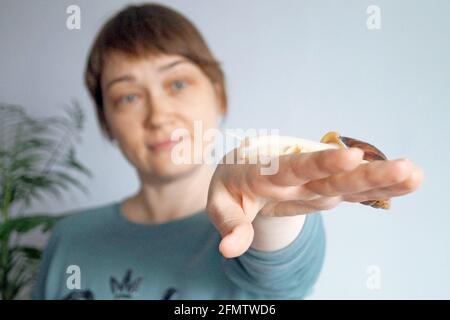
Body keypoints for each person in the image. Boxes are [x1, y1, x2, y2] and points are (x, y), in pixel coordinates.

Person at [33, 3, 423, 300]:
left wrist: (265, 212)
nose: (158, 115)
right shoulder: (69, 239)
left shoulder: (267, 222)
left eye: (178, 84)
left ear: (218, 94)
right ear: (107, 122)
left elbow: (276, 258)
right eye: (128, 96)